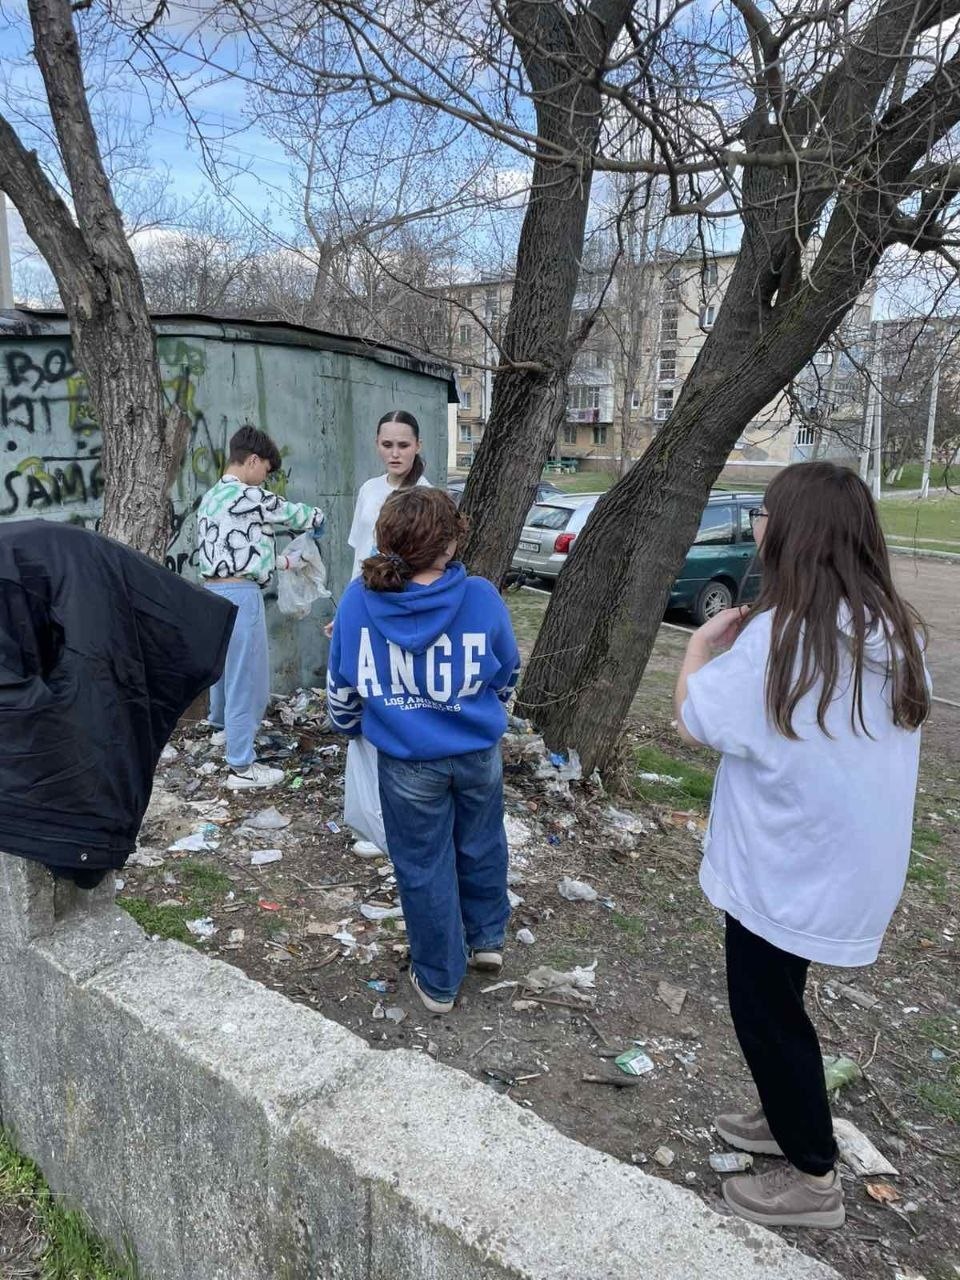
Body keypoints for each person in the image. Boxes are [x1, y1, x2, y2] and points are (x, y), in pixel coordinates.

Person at [674, 461, 930, 1230]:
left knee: (765, 1012)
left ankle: (812, 1174)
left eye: (765, 513)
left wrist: (702, 646)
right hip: (845, 868)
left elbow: (694, 717)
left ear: (793, 533)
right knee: (785, 1000)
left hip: (783, 867)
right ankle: (784, 1113)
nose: (757, 525)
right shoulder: (894, 631)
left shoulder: (779, 643)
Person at [326, 487, 521, 1014]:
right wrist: (484, 710)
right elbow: (506, 674)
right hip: (477, 751)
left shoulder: (357, 601)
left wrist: (349, 727)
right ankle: (486, 940)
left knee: (422, 864)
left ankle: (438, 979)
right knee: (481, 842)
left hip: (407, 762)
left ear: (387, 539)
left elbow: (343, 686)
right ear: (451, 542)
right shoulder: (481, 596)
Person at [198, 425, 325, 789]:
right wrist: (317, 523)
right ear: (252, 461)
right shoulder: (249, 496)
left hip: (212, 591)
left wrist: (287, 563)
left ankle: (220, 730)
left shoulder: (212, 499)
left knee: (223, 670)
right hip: (241, 596)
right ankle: (242, 765)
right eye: (266, 471)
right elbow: (298, 514)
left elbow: (240, 550)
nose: (265, 479)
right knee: (247, 679)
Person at [347, 409, 431, 581]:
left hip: (400, 596)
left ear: (418, 445)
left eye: (403, 445)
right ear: (377, 443)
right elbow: (359, 547)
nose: (394, 454)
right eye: (387, 445)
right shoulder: (368, 489)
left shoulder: (428, 496)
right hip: (361, 590)